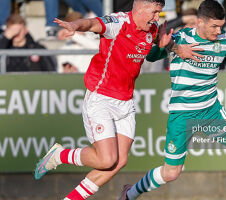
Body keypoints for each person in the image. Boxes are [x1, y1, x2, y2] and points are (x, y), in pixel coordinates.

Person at [34, 0, 200, 200]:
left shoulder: (152, 28)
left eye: (160, 13)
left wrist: (176, 48)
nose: (158, 17)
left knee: (119, 162)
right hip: (101, 97)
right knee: (106, 159)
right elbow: (92, 23)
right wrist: (75, 26)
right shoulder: (118, 23)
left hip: (126, 102)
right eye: (155, 12)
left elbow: (160, 44)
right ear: (141, 7)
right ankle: (59, 155)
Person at [118, 1, 226, 200]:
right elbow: (152, 57)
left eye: (221, 25)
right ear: (200, 22)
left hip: (211, 112)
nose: (218, 30)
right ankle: (131, 193)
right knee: (171, 173)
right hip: (182, 115)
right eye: (214, 26)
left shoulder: (225, 40)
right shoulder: (180, 38)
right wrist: (160, 45)